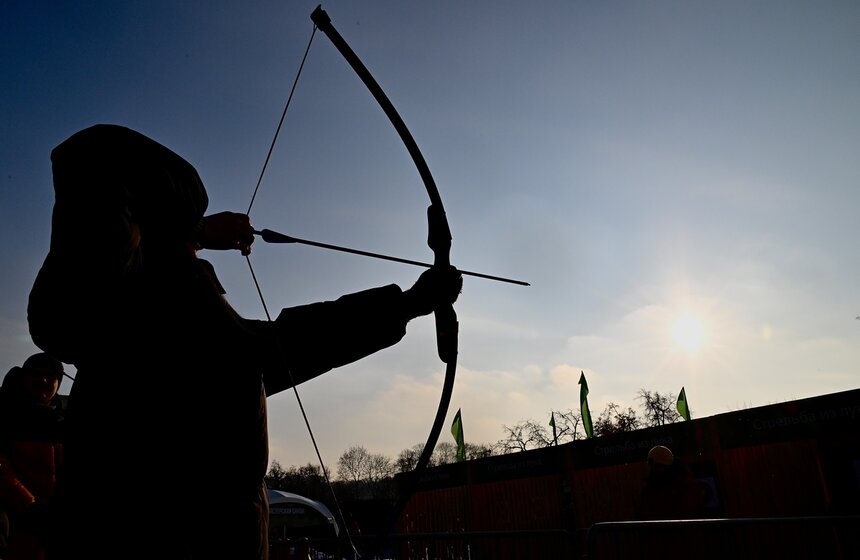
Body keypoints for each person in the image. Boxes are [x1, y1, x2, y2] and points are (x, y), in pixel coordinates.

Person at [27, 124, 462, 560]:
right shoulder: (156, 296)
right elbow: (279, 346)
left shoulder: (123, 305)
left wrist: (191, 231)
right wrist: (408, 304)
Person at [0, 353, 66, 560]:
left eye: (50, 376)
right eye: (35, 374)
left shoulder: (61, 422)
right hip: (17, 526)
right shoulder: (6, 414)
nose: (43, 380)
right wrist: (29, 507)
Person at [634, 445, 707, 521]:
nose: (654, 470)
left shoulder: (684, 486)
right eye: (653, 467)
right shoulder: (651, 487)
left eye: (657, 466)